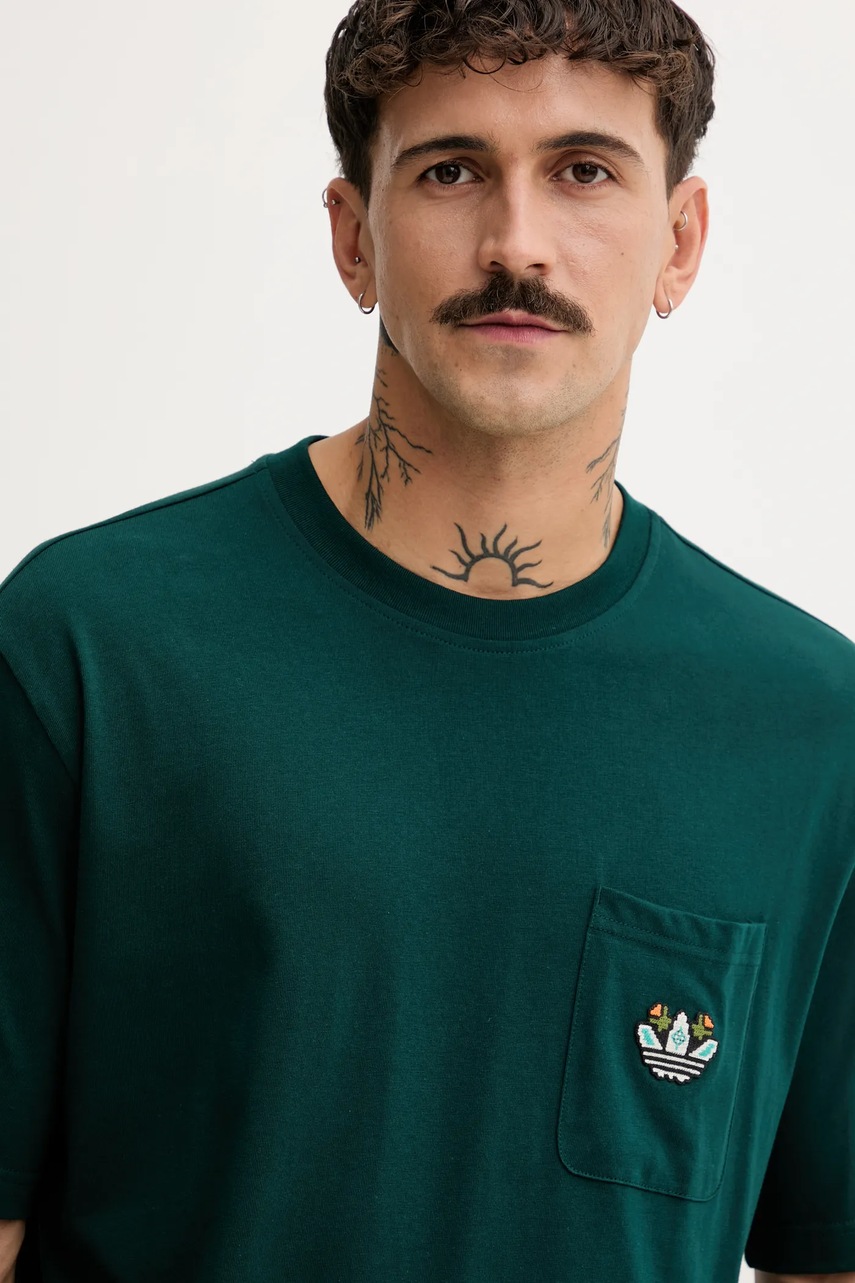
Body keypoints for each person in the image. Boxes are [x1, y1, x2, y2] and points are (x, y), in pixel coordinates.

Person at [1, 1, 853, 1279]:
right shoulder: (89, 647)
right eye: (451, 171)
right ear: (355, 239)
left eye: (583, 171)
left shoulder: (811, 726)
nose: (518, 243)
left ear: (679, 243)